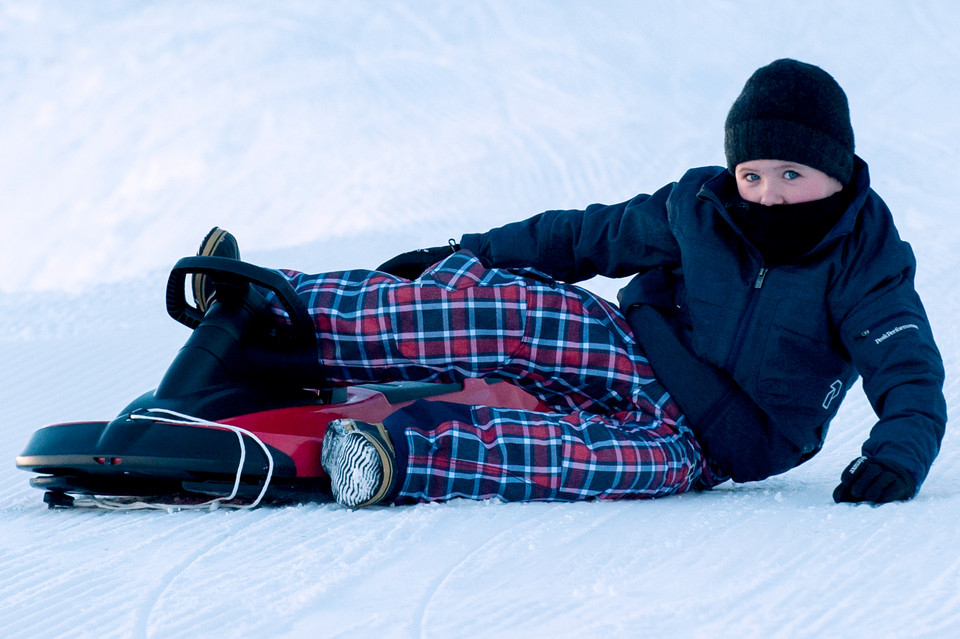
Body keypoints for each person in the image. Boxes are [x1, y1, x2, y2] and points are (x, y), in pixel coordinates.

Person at [199, 59, 946, 508]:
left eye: (792, 174)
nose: (769, 194)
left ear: (837, 171)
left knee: (573, 456)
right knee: (507, 309)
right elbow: (587, 235)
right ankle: (277, 307)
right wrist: (471, 249)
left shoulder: (865, 258)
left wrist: (898, 455)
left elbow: (907, 366)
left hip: (709, 439)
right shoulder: (702, 208)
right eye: (753, 173)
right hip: (637, 345)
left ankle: (392, 455)